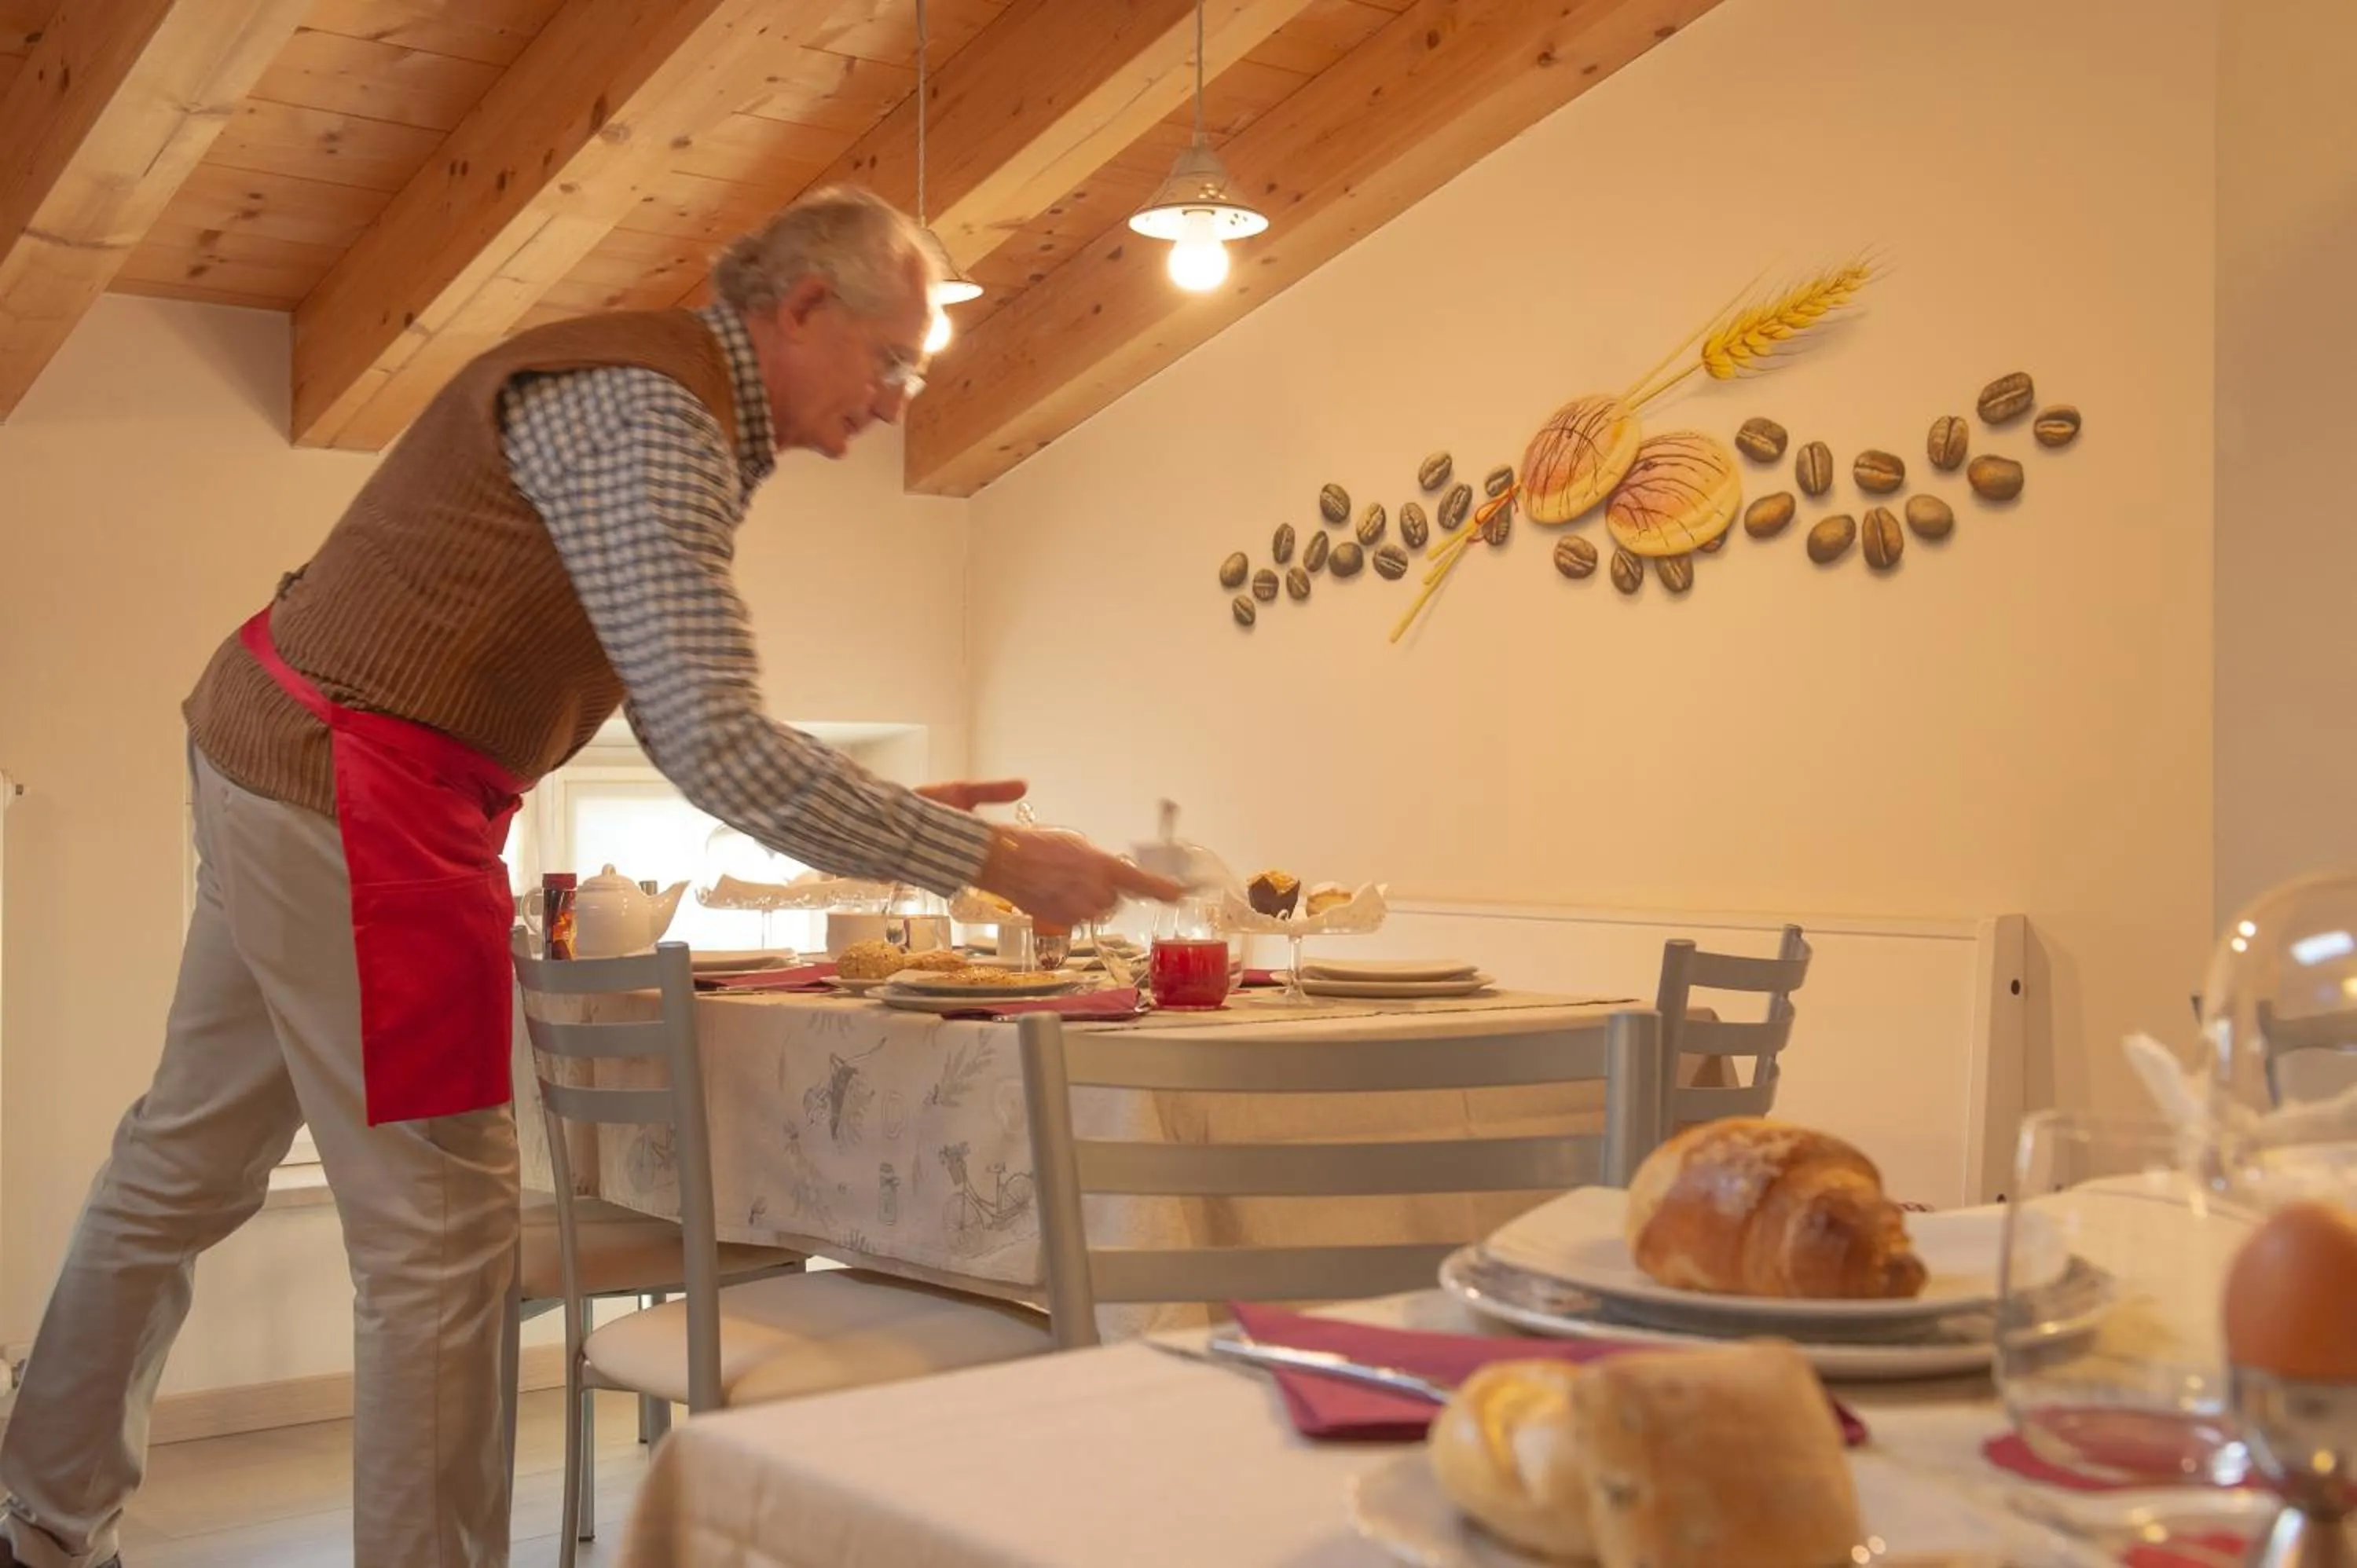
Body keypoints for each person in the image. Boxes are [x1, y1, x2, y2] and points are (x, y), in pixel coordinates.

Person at [0, 186, 1176, 1568]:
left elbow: (627, 683)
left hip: (281, 738)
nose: (902, 398)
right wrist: (995, 861)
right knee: (437, 1231)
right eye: (894, 357)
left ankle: (40, 1513)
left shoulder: (646, 403)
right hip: (356, 790)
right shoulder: (656, 417)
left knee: (184, 1160)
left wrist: (895, 813)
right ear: (801, 308)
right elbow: (714, 743)